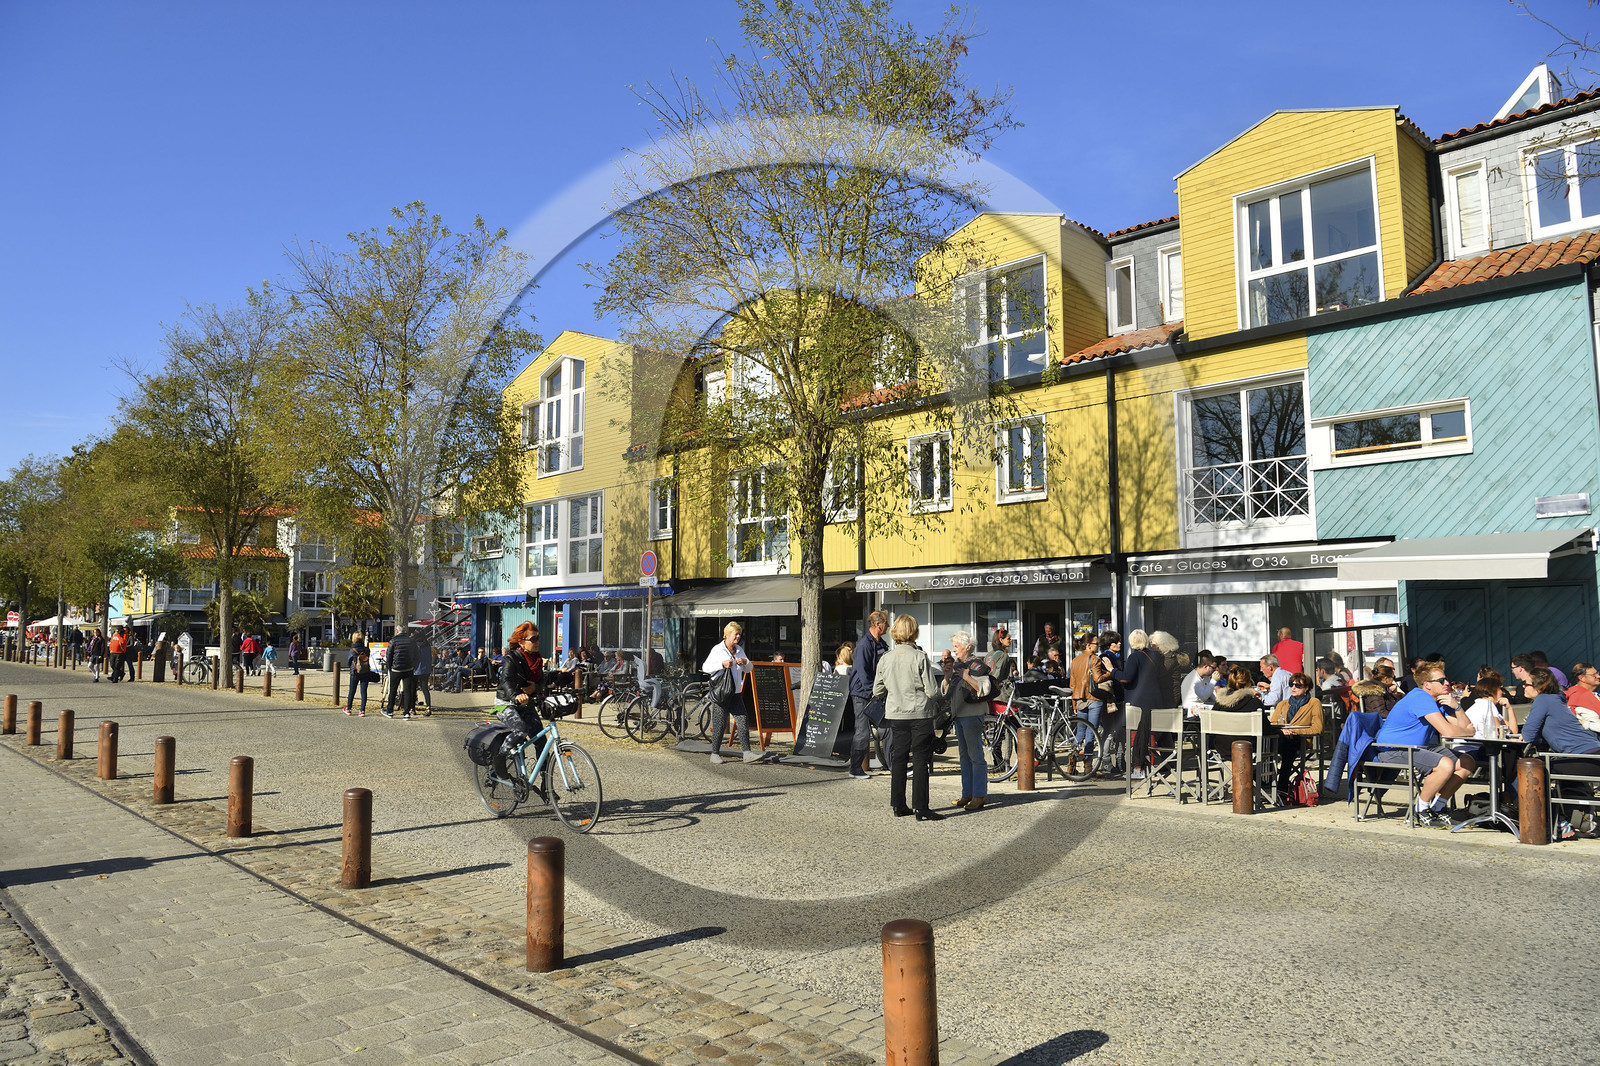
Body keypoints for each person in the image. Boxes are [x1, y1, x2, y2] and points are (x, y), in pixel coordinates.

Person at [1372, 660, 1477, 828]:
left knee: (1466, 762)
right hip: (1392, 749)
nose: (1447, 683)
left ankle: (1438, 807)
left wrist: (1457, 707)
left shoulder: (1439, 701)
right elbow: (1450, 732)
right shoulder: (1420, 697)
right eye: (1442, 681)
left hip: (1417, 748)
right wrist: (1468, 731)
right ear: (1427, 685)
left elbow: (1466, 727)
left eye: (1446, 679)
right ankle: (1420, 810)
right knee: (1445, 765)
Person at [872, 614, 940, 820]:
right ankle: (921, 808)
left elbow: (877, 689)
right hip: (920, 713)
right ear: (914, 632)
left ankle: (898, 805)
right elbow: (932, 690)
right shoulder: (920, 657)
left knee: (899, 758)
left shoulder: (886, 658)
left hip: (896, 713)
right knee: (920, 759)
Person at [940, 630, 992, 812]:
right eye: (953, 646)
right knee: (964, 756)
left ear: (968, 647)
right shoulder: (957, 665)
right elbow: (946, 691)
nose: (954, 650)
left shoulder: (978, 665)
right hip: (959, 715)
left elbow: (984, 689)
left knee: (975, 756)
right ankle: (967, 793)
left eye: (957, 646)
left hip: (972, 714)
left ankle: (979, 795)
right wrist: (947, 677)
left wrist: (966, 676)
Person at [1112, 629, 1165, 780]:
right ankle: (1153, 765)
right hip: (1155, 701)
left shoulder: (1134, 657)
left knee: (1138, 736)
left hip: (1139, 703)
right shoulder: (1155, 656)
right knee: (1151, 736)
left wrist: (1112, 671)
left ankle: (1138, 768)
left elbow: (1126, 678)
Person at [703, 621, 757, 764]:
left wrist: (745, 662)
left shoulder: (739, 649)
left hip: (736, 693)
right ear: (727, 635)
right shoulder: (717, 649)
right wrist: (722, 664)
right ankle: (714, 754)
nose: (738, 636)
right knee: (719, 723)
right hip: (721, 692)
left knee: (742, 720)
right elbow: (705, 667)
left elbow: (749, 669)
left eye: (739, 634)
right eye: (735, 634)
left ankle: (747, 753)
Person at [847, 611, 890, 780]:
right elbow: (863, 672)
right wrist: (872, 691)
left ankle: (894, 765)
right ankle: (855, 768)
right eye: (886, 623)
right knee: (862, 731)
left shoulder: (881, 644)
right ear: (878, 624)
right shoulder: (864, 645)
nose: (888, 626)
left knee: (887, 728)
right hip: (862, 694)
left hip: (876, 693)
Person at [1269, 672, 1323, 801]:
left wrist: (1294, 731)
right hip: (1282, 738)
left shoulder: (1314, 703)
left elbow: (1318, 728)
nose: (1293, 688)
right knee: (1273, 742)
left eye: (1298, 685)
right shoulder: (1282, 704)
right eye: (1291, 685)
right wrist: (1283, 730)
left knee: (1289, 745)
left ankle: (1281, 787)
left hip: (1300, 740)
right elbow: (1273, 723)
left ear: (1307, 688)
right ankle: (1268, 782)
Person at [497, 622, 545, 737]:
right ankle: (499, 755)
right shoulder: (511, 658)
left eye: (538, 638)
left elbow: (542, 681)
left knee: (540, 737)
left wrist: (535, 687)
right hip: (507, 702)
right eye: (533, 639)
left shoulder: (537, 659)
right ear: (521, 642)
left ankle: (543, 756)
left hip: (526, 702)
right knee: (520, 732)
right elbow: (506, 680)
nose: (537, 642)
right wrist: (515, 696)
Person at [383, 628, 420, 720]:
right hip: (408, 668)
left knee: (393, 690)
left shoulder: (393, 640)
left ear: (397, 631)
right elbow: (417, 655)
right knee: (408, 691)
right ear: (406, 632)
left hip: (396, 669)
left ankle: (390, 711)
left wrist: (389, 667)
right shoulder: (411, 641)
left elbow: (389, 655)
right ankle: (406, 713)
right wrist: (413, 665)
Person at [343, 650, 380, 716]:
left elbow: (348, 663)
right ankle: (362, 710)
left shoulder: (352, 650)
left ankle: (348, 708)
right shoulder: (366, 650)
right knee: (363, 691)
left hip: (355, 672)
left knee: (352, 690)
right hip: (365, 672)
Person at [1566, 663, 1600, 730]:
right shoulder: (1578, 696)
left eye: (1597, 673)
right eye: (1594, 675)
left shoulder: (1592, 694)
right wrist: (1587, 724)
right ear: (1582, 678)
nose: (1598, 676)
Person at [414, 638, 435, 716]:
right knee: (425, 689)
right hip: (426, 669)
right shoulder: (427, 645)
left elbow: (415, 658)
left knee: (413, 688)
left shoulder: (416, 645)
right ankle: (428, 707)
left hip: (416, 669)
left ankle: (412, 708)